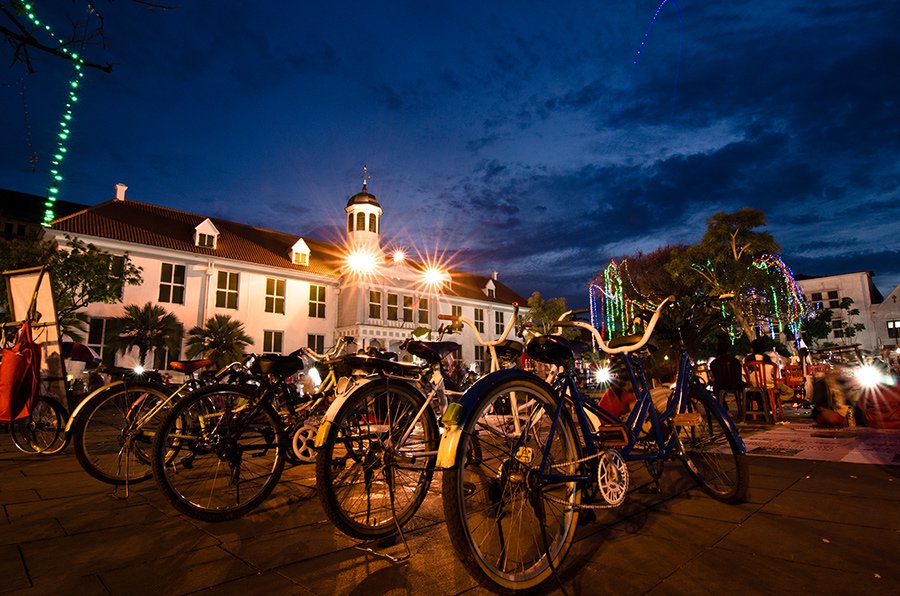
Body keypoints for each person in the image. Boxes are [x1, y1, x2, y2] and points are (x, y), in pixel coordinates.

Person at [709, 343, 744, 411]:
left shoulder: (714, 363)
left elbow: (714, 376)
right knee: (745, 387)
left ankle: (725, 409)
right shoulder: (735, 361)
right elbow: (739, 375)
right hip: (735, 384)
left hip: (720, 385)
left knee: (716, 389)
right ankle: (743, 410)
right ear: (728, 351)